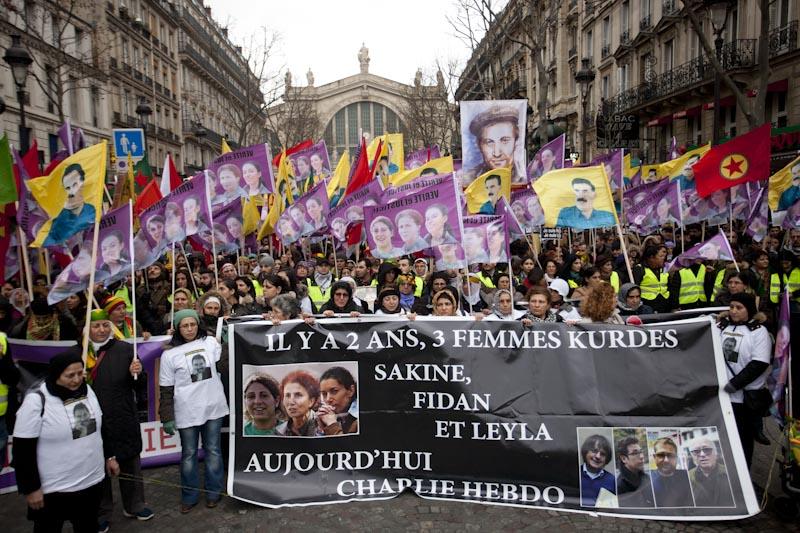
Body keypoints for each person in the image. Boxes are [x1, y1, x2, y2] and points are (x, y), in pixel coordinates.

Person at [13, 350, 111, 532]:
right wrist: (31, 488)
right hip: (54, 490)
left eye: (80, 373)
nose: (76, 380)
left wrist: (110, 457)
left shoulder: (88, 391)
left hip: (91, 483)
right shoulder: (37, 400)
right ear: (56, 374)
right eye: (69, 375)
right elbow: (22, 450)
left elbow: (101, 427)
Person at [84, 310, 153, 528]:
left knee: (130, 461)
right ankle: (101, 512)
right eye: (96, 326)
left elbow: (140, 384)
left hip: (122, 415)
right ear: (87, 328)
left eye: (105, 325)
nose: (102, 330)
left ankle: (134, 504)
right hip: (92, 421)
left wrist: (138, 373)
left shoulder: (124, 349)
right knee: (98, 467)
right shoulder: (80, 353)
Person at [159, 309, 228, 513]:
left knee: (213, 450)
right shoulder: (169, 355)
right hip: (187, 411)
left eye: (193, 324)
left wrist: (227, 342)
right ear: (178, 329)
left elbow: (224, 365)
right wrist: (167, 417)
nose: (190, 329)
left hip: (213, 406)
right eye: (185, 326)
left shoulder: (210, 343)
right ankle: (189, 495)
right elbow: (165, 390)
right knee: (189, 453)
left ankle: (214, 492)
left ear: (198, 325)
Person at [718, 292, 772, 468]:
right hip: (723, 397)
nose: (734, 311)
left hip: (744, 398)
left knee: (743, 441)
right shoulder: (721, 327)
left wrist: (735, 384)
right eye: (731, 307)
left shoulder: (759, 332)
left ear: (749, 310)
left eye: (739, 308)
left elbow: (759, 363)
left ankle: (744, 475)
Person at [464, 105, 523, 183]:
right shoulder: (469, 179)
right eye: (489, 142)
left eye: (505, 140)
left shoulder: (525, 177)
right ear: (479, 145)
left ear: (516, 142)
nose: (497, 153)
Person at [43, 163, 97, 246]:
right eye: (67, 188)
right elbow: (50, 240)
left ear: (83, 184)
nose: (71, 191)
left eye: (75, 185)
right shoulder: (59, 216)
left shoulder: (93, 210)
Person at [686, 437, 734, 507]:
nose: (702, 454)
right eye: (696, 451)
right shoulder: (686, 478)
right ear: (692, 456)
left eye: (707, 449)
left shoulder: (730, 472)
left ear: (716, 453)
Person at [650, 437, 694, 507]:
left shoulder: (689, 477)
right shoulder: (646, 480)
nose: (666, 460)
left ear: (676, 457)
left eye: (670, 455)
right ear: (654, 457)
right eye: (661, 455)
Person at [316, 366, 359, 435]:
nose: (328, 399)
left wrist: (332, 425)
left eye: (334, 391)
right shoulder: (334, 415)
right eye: (324, 394)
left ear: (351, 390)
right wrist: (322, 428)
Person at [277, 371, 320, 436]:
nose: (291, 402)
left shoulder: (322, 427)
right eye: (287, 395)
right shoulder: (280, 431)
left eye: (298, 395)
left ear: (311, 401)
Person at [616, 435, 655, 508]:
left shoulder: (646, 477)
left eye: (641, 452)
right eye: (635, 453)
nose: (641, 456)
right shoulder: (620, 486)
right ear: (624, 458)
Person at [579, 434, 616, 507]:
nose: (598, 456)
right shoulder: (573, 474)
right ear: (585, 452)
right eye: (594, 451)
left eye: (603, 454)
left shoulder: (612, 481)